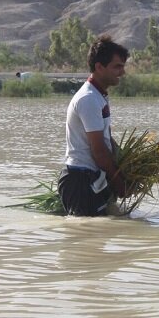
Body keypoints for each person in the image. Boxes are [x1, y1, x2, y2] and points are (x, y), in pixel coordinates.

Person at [58, 35, 130, 216]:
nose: (122, 72)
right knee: (85, 237)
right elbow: (98, 151)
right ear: (99, 67)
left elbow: (105, 138)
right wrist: (119, 182)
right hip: (80, 181)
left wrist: (124, 164)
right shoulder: (88, 99)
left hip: (93, 177)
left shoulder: (99, 96)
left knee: (100, 236)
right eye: (117, 67)